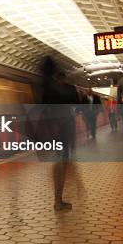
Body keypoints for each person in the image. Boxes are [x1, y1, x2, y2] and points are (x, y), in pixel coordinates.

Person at [39, 57, 81, 211]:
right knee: (61, 164)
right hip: (63, 129)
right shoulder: (64, 89)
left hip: (54, 130)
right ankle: (58, 201)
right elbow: (75, 105)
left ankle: (58, 200)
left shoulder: (46, 86)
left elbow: (43, 109)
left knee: (59, 162)